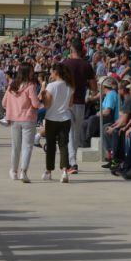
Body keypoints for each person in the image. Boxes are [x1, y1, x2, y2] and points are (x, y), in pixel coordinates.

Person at [3, 63, 41, 183]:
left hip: (14, 119)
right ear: (27, 72)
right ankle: (23, 171)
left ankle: (13, 171)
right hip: (28, 119)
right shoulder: (31, 86)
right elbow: (35, 104)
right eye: (31, 71)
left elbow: (4, 103)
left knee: (15, 147)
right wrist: (40, 99)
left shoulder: (12, 85)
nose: (33, 73)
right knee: (27, 147)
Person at [63, 41, 96, 175]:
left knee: (70, 133)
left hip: (67, 102)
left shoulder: (65, 63)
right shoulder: (86, 65)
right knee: (75, 133)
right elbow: (94, 87)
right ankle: (72, 161)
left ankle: (72, 162)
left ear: (71, 49)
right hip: (80, 102)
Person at [39, 63, 74, 182]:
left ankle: (49, 171)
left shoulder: (51, 86)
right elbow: (70, 104)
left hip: (52, 118)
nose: (50, 74)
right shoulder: (70, 86)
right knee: (64, 145)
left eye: (52, 71)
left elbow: (47, 104)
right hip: (65, 118)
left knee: (51, 145)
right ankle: (64, 171)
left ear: (56, 72)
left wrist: (43, 91)